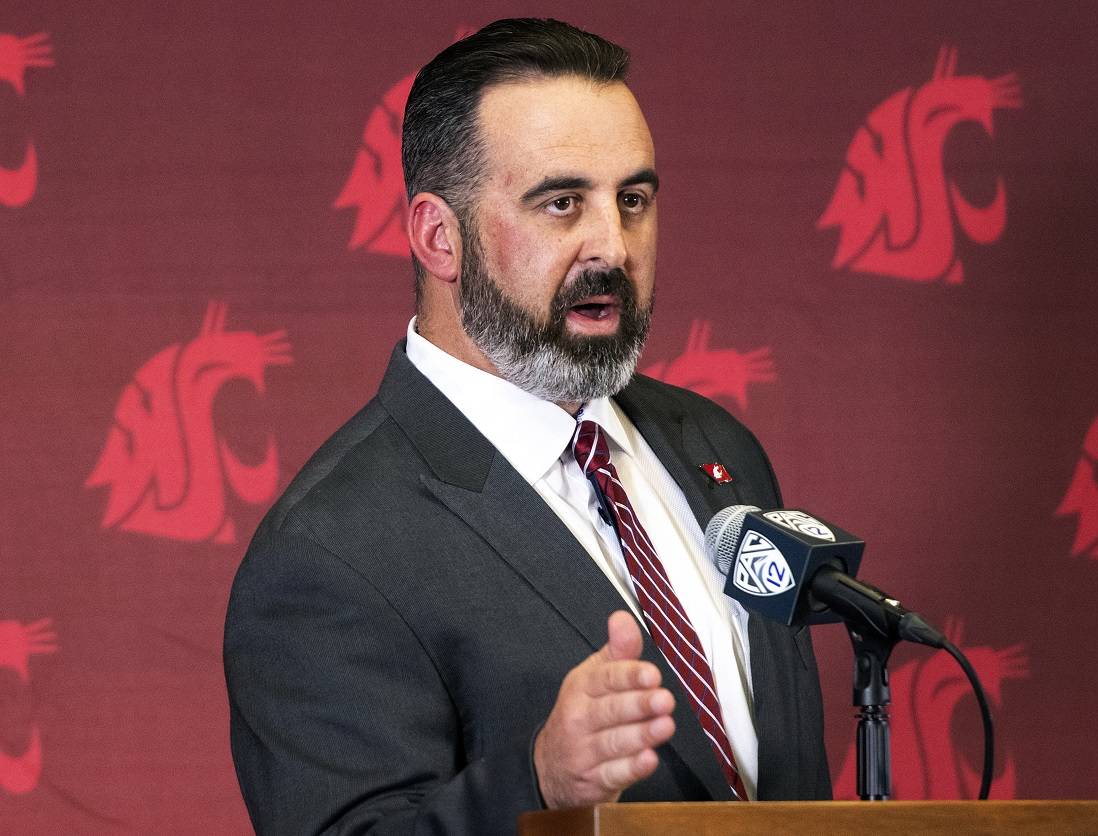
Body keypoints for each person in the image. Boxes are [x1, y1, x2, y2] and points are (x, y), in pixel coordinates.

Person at [224, 18, 830, 835]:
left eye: (633, 200)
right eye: (561, 203)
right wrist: (538, 781)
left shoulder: (717, 447)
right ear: (439, 236)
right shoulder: (326, 552)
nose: (612, 245)